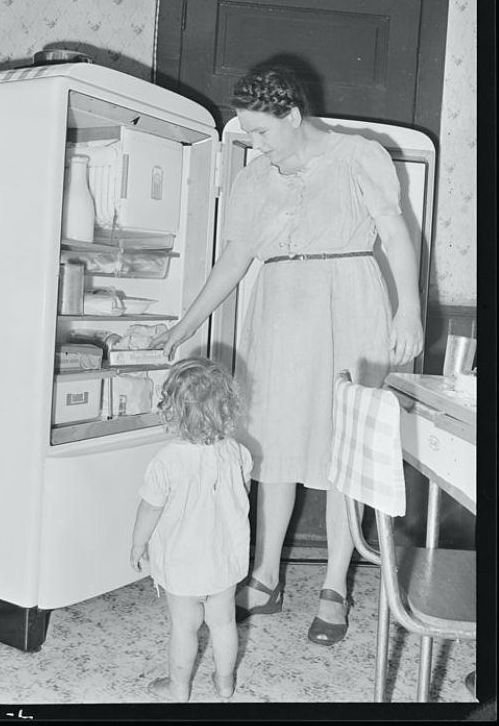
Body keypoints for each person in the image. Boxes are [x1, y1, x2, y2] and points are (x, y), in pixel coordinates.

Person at [150, 63, 424, 646]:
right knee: (271, 443)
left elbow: (397, 235)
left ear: (293, 116)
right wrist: (185, 325)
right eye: (248, 133)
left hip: (350, 303)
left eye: (263, 132)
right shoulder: (254, 179)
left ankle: (334, 586)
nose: (256, 143)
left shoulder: (358, 157)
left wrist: (410, 311)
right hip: (279, 310)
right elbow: (233, 260)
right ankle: (267, 575)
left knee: (341, 447)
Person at [130, 358, 253, 701]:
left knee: (184, 628)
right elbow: (242, 493)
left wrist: (138, 544)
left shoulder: (167, 460)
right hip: (224, 559)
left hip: (183, 563)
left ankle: (178, 687)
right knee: (224, 623)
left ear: (173, 411)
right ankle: (225, 682)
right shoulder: (238, 453)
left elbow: (150, 508)